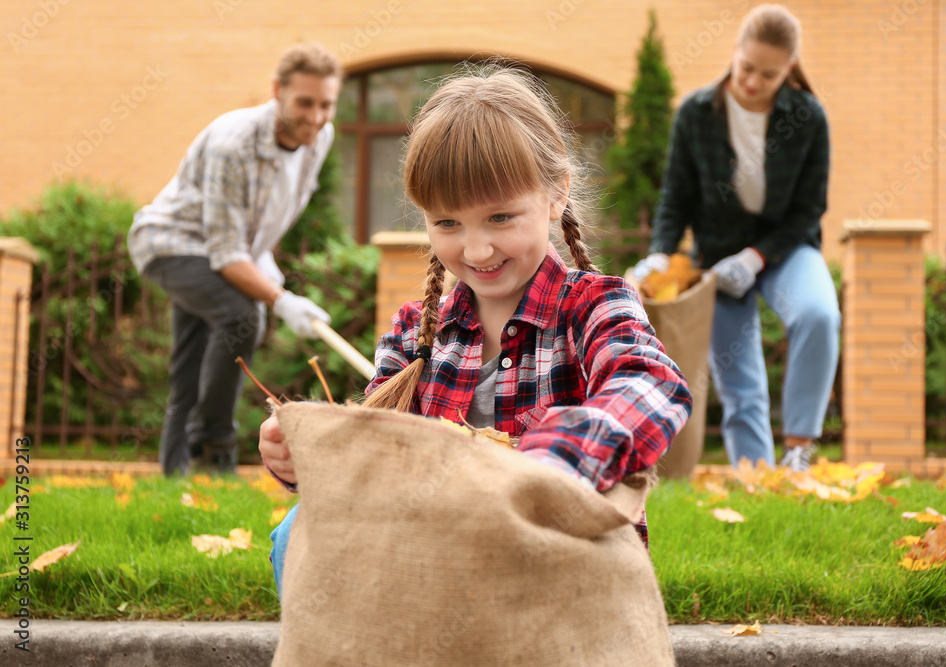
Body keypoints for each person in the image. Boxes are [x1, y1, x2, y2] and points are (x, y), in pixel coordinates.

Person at [259, 65, 693, 598]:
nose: (477, 250)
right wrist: (308, 459)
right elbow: (376, 459)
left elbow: (651, 385)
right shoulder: (416, 333)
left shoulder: (594, 307)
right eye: (447, 224)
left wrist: (551, 465)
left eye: (501, 218)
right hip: (438, 570)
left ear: (557, 194)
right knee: (295, 529)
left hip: (555, 571)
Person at [633, 4, 839, 472]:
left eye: (767, 75)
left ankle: (799, 452)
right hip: (715, 259)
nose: (751, 82)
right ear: (735, 53)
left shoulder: (808, 118)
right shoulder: (695, 114)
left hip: (785, 248)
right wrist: (661, 256)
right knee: (739, 374)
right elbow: (675, 199)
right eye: (747, 68)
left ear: (788, 70)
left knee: (819, 315)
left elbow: (810, 208)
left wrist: (756, 257)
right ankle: (757, 477)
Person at [127, 43, 340, 475]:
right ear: (277, 90)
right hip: (171, 244)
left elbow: (259, 226)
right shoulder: (233, 143)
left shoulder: (320, 138)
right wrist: (280, 299)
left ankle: (175, 472)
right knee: (242, 315)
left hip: (225, 249)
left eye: (325, 104)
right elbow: (225, 254)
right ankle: (216, 449)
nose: (315, 116)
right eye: (304, 102)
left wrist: (266, 267)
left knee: (191, 358)